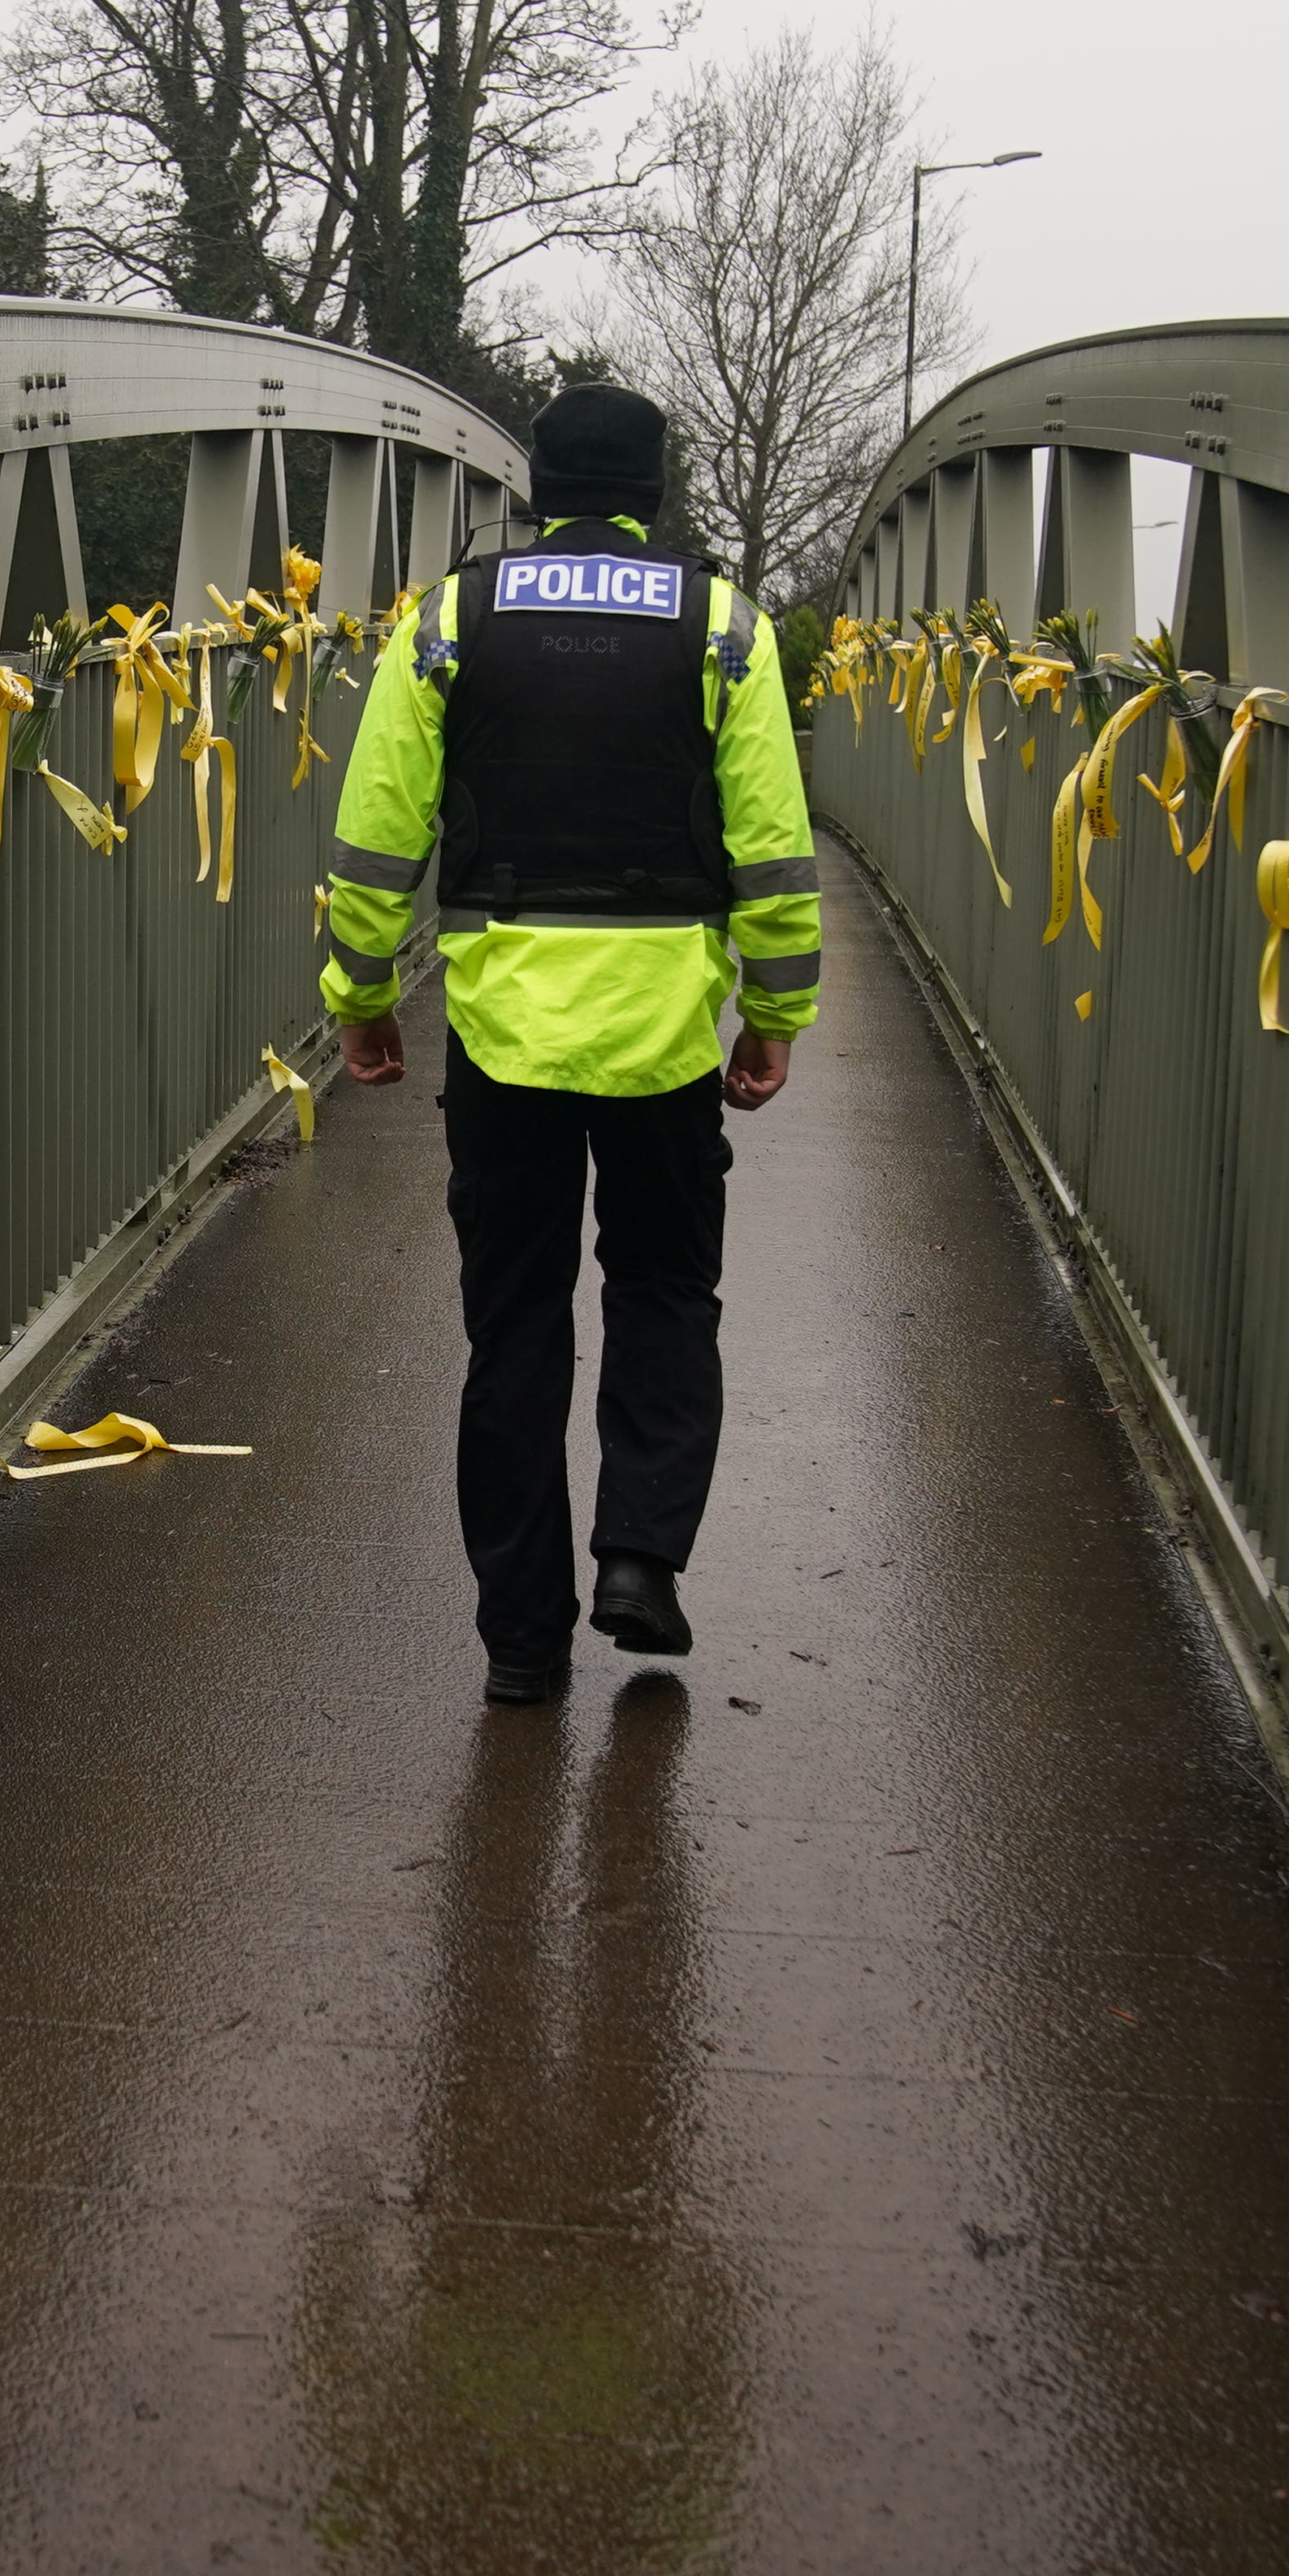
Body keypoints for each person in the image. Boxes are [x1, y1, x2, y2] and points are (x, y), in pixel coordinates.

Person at [322, 382, 822, 1706]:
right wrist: (770, 1017)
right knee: (664, 1292)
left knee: (516, 1325)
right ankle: (642, 1562)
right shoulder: (722, 624)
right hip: (664, 1033)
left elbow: (381, 829)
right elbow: (771, 841)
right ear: (654, 494)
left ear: (534, 491)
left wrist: (361, 991)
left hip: (503, 1030)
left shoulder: (452, 617)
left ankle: (521, 1641)